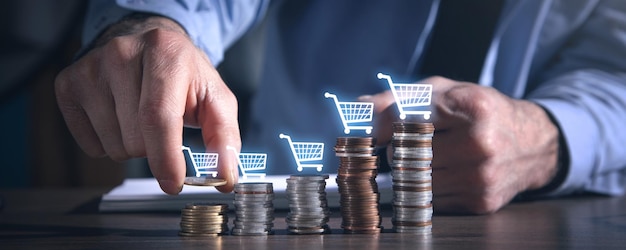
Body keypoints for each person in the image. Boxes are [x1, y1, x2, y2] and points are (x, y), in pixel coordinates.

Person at [55, 0, 626, 214]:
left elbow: (615, 75)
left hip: (534, 219)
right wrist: (149, 23)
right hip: (290, 212)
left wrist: (549, 135)